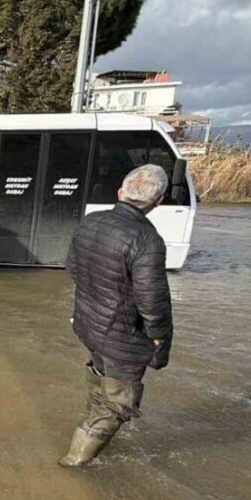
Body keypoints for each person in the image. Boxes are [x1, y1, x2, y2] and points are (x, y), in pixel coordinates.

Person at [59, 164, 174, 467]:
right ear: (158, 201)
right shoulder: (147, 239)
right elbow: (153, 302)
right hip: (122, 337)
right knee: (116, 406)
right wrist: (159, 339)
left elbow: (72, 268)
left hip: (89, 325)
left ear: (121, 192)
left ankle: (90, 424)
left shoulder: (91, 222)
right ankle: (74, 463)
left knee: (101, 383)